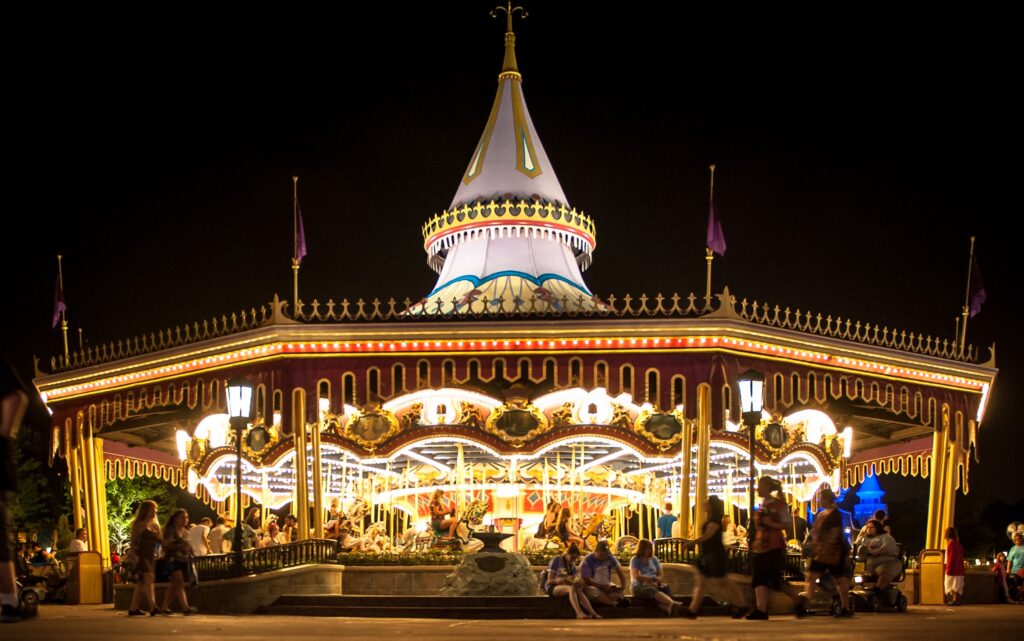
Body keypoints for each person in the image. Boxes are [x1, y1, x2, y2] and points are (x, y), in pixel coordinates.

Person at [745, 476, 806, 620]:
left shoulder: (779, 504)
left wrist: (770, 523)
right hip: (761, 546)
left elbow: (786, 524)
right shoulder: (763, 504)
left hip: (774, 545)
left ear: (766, 487)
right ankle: (761, 609)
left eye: (760, 485)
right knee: (759, 577)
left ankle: (797, 601)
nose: (757, 489)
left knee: (775, 579)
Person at [681, 496, 749, 618]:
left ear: (712, 506)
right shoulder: (712, 519)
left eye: (707, 502)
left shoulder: (715, 520)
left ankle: (741, 605)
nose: (705, 504)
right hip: (708, 553)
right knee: (701, 581)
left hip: (715, 553)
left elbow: (708, 535)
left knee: (722, 580)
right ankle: (692, 610)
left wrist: (691, 543)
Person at [804, 487, 852, 617]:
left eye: (821, 498)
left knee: (839, 578)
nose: (819, 501)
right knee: (813, 576)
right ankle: (806, 604)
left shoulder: (835, 514)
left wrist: (826, 544)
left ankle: (845, 606)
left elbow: (835, 532)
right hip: (822, 549)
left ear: (827, 499)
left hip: (832, 550)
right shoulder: (822, 514)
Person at [127, 500, 164, 616]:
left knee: (142, 582)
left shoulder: (155, 525)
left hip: (151, 556)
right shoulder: (138, 525)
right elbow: (133, 542)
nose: (155, 512)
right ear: (146, 510)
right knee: (149, 578)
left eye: (156, 510)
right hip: (141, 555)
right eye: (153, 509)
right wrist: (134, 555)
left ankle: (133, 608)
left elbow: (161, 540)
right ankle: (153, 607)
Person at [545, 543, 601, 619]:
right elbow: (549, 581)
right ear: (567, 553)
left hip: (566, 586)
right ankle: (579, 613)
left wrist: (578, 581)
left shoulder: (571, 564)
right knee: (571, 588)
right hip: (553, 587)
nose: (573, 560)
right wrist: (562, 580)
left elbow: (574, 578)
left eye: (575, 558)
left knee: (577, 589)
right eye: (572, 557)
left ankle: (592, 613)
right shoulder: (556, 560)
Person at [629, 538, 682, 615]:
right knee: (651, 590)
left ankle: (669, 609)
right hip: (639, 586)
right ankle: (672, 603)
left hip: (654, 583)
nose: (649, 550)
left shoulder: (654, 559)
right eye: (647, 548)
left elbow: (660, 574)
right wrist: (651, 579)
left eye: (650, 548)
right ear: (642, 549)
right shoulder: (635, 560)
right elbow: (637, 576)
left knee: (665, 588)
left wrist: (657, 581)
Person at [159, 508, 197, 615]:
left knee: (174, 584)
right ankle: (185, 607)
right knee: (179, 582)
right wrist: (179, 545)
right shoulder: (170, 530)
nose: (185, 520)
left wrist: (190, 550)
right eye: (182, 517)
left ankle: (164, 607)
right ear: (175, 519)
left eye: (186, 517)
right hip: (172, 559)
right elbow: (165, 544)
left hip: (183, 559)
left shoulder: (186, 532)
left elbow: (189, 546)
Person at [580, 540, 628, 607]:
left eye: (606, 554)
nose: (604, 557)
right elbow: (586, 579)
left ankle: (612, 599)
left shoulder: (610, 558)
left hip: (607, 584)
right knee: (594, 592)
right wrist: (601, 587)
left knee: (618, 592)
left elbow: (619, 572)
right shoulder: (587, 560)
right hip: (592, 586)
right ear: (596, 551)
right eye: (602, 554)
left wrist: (623, 586)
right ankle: (614, 603)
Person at [859, 519, 900, 591]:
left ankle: (878, 591)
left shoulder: (885, 537)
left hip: (886, 562)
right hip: (868, 566)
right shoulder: (864, 539)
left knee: (884, 570)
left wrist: (872, 551)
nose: (869, 529)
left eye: (872, 527)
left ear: (877, 528)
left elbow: (887, 548)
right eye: (868, 527)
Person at [944, 526, 965, 606]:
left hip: (953, 569)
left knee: (951, 584)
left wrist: (948, 568)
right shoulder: (957, 544)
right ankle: (956, 600)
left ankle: (954, 599)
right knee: (956, 585)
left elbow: (951, 557)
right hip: (959, 568)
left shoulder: (951, 544)